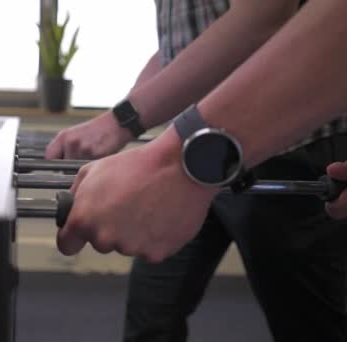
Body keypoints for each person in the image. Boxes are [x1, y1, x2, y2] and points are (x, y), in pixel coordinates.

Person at [45, 1, 347, 341]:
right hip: (191, 151)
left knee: (312, 327)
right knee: (151, 321)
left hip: (284, 148)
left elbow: (266, 16)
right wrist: (121, 118)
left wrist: (129, 128)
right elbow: (182, 46)